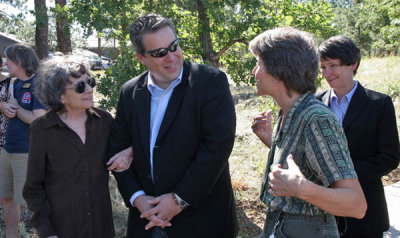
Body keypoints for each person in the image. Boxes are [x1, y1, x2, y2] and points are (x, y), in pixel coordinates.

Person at [108, 14, 238, 238]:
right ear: (141, 58)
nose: (171, 57)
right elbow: (118, 151)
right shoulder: (129, 92)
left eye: (174, 46)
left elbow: (217, 147)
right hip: (147, 222)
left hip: (202, 222)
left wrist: (179, 199)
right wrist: (138, 198)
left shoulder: (210, 82)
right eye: (159, 53)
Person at [250, 27, 367, 238]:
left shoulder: (316, 118)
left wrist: (301, 188)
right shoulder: (289, 112)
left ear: (279, 72)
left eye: (258, 64)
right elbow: (306, 159)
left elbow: (356, 205)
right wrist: (272, 141)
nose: (254, 72)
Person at [22, 55, 133, 238]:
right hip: (62, 229)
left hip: (101, 227)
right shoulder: (41, 130)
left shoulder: (104, 121)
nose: (89, 89)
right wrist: (46, 231)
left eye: (90, 82)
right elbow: (33, 187)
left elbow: (126, 151)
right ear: (60, 96)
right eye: (80, 87)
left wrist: (131, 152)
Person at [317, 36, 400, 238]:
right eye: (323, 67)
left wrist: (344, 175)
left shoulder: (379, 103)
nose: (327, 74)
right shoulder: (315, 103)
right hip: (322, 211)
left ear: (353, 64)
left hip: (367, 211)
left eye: (333, 65)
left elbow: (389, 157)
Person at [0, 43, 47, 238]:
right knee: (7, 199)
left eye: (8, 59)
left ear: (19, 61)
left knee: (33, 203)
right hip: (7, 150)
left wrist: (16, 109)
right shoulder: (15, 83)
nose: (5, 62)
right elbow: (13, 108)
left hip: (26, 152)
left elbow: (38, 119)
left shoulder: (39, 84)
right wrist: (6, 106)